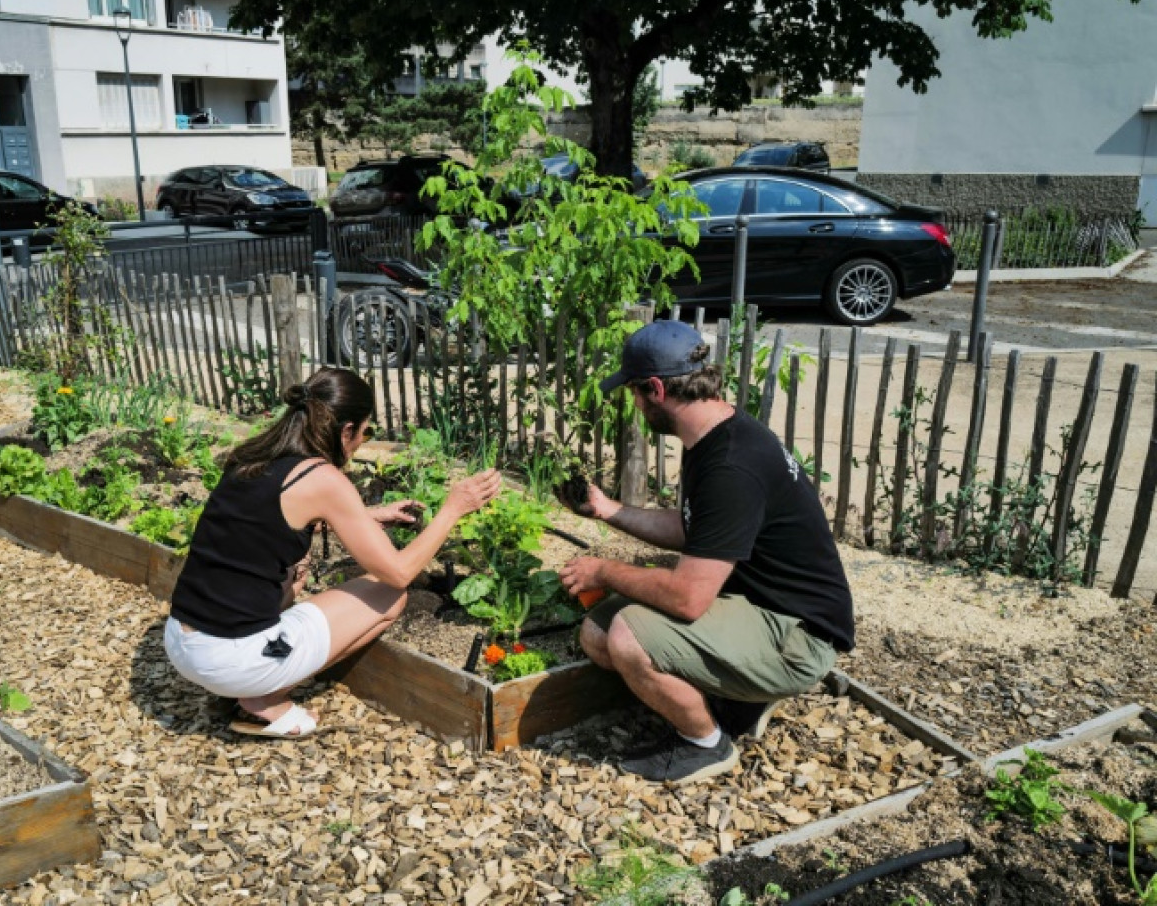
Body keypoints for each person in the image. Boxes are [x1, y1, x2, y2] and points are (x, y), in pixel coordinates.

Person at [558, 320, 854, 783]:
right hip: (757, 606)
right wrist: (607, 510)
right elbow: (695, 527)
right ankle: (741, 698)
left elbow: (687, 598)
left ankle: (705, 744)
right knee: (598, 632)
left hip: (796, 635)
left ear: (656, 388)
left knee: (626, 636)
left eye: (635, 392)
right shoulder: (714, 434)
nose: (633, 403)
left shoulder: (733, 465)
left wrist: (605, 570)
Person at [165, 367, 501, 738]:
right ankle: (262, 700)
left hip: (181, 642)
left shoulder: (253, 456)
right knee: (388, 595)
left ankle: (240, 685)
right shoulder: (323, 478)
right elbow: (399, 572)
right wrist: (454, 507)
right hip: (232, 660)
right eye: (365, 432)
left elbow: (271, 518)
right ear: (345, 431)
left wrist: (366, 516)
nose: (361, 443)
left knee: (290, 575)